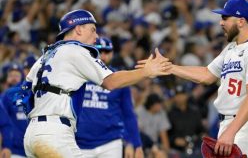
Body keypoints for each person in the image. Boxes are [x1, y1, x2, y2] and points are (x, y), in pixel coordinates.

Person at [137, 0, 248, 158]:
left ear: (241, 21)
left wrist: (231, 132)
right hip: (230, 124)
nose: (221, 23)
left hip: (246, 126)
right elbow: (207, 74)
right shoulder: (232, 48)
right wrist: (169, 67)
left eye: (225, 18)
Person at [23, 9, 171, 158]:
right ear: (79, 29)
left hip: (33, 132)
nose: (97, 35)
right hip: (54, 133)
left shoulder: (45, 56)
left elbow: (22, 92)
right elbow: (111, 82)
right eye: (93, 30)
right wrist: (146, 71)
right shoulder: (76, 50)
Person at [75, 37, 143, 158]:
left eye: (107, 52)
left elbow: (128, 114)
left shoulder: (119, 79)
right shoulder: (78, 76)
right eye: (99, 51)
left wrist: (135, 143)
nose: (103, 56)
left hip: (110, 142)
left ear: (112, 53)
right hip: (78, 143)